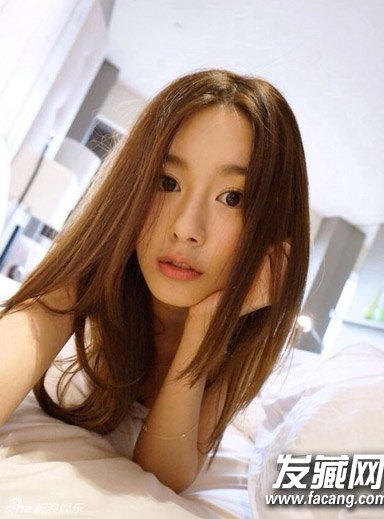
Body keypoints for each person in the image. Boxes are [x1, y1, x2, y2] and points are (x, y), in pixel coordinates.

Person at [0, 68, 309, 493]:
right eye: (167, 182)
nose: (186, 228)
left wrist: (205, 327)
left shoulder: (247, 333)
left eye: (232, 197)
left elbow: (165, 474)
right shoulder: (87, 274)